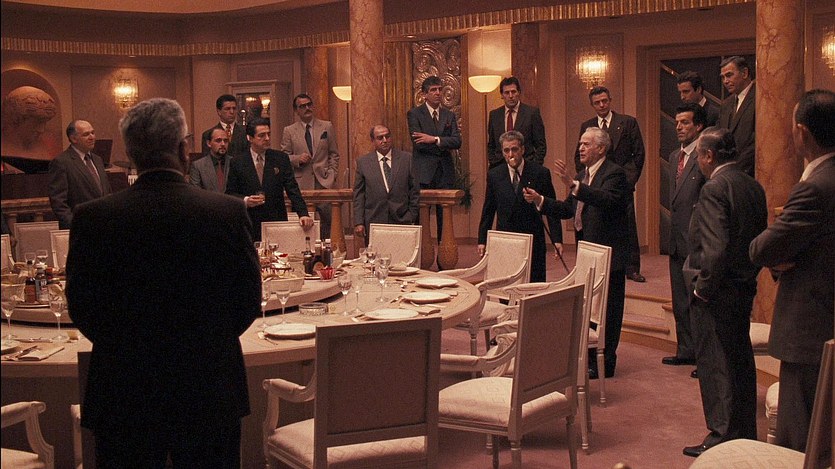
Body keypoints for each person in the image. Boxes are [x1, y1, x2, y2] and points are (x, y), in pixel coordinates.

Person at [66, 98, 261, 467]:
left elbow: (82, 307)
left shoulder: (93, 218)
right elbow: (247, 301)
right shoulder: (225, 213)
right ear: (183, 149)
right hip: (208, 386)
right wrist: (205, 342)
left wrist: (130, 348)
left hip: (124, 389)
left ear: (130, 153)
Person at [749, 89, 835, 454]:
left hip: (811, 329)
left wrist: (780, 258)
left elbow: (762, 248)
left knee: (801, 442)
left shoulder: (815, 187)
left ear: (802, 131)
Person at [682, 126, 766, 457]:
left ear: (708, 155)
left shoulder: (714, 188)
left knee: (716, 363)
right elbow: (758, 242)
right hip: (743, 286)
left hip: (717, 292)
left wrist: (702, 289)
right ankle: (744, 431)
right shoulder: (752, 185)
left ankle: (722, 434)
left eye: (699, 156)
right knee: (739, 361)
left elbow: (715, 249)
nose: (697, 162)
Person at [524, 127, 630, 378]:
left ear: (601, 148)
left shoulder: (614, 173)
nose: (580, 148)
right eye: (580, 143)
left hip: (609, 253)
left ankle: (607, 362)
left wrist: (574, 185)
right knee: (590, 307)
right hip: (588, 252)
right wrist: (540, 200)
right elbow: (567, 210)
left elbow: (607, 200)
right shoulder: (583, 175)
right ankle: (591, 357)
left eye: (586, 144)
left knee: (608, 310)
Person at [574, 86, 646, 283]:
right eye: (597, 102)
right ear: (592, 105)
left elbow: (638, 154)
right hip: (594, 185)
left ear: (610, 100)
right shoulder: (587, 126)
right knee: (596, 225)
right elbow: (579, 157)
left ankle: (631, 267)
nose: (602, 105)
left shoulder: (627, 122)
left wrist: (627, 181)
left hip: (621, 185)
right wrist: (587, 179)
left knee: (628, 225)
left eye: (604, 101)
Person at [479, 130, 560, 283]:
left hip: (533, 238)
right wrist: (482, 240)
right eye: (506, 150)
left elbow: (551, 208)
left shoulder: (540, 173)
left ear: (522, 149)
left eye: (514, 149)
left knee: (533, 286)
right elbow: (488, 209)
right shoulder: (495, 175)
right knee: (506, 285)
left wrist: (557, 239)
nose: (511, 154)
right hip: (506, 239)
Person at [662, 103, 707, 376]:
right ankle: (685, 350)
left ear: (699, 126)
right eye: (677, 122)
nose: (678, 127)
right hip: (676, 239)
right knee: (679, 299)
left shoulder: (705, 156)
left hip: (697, 240)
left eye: (685, 122)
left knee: (697, 303)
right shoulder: (672, 156)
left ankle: (704, 358)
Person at [225, 117, 313, 241]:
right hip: (249, 221)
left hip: (275, 221)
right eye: (261, 135)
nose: (267, 138)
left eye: (268, 134)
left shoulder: (280, 158)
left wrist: (303, 213)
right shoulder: (237, 162)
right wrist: (246, 200)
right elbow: (230, 193)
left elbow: (292, 189)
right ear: (250, 138)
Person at [407, 76, 462, 247]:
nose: (438, 93)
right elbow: (419, 143)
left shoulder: (449, 115)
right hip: (423, 173)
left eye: (439, 89)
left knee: (444, 219)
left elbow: (457, 141)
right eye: (433, 90)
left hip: (444, 173)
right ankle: (419, 253)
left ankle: (444, 256)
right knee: (421, 218)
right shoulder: (415, 114)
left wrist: (434, 139)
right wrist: (443, 142)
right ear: (424, 94)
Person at [280, 93, 340, 240]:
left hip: (324, 182)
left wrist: (332, 174)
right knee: (305, 224)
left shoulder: (326, 126)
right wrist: (297, 159)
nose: (307, 108)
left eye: (309, 105)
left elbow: (334, 153)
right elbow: (283, 157)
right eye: (302, 106)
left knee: (328, 223)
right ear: (296, 110)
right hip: (301, 184)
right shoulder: (289, 131)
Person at [353, 124, 420, 242]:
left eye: (387, 136)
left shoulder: (406, 159)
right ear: (373, 141)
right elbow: (359, 195)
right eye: (380, 138)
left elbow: (414, 190)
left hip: (402, 220)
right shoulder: (363, 163)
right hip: (374, 221)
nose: (385, 140)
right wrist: (359, 222)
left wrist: (411, 215)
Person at [47, 120, 113, 229]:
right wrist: (75, 226)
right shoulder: (61, 162)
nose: (92, 137)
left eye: (93, 133)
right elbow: (58, 203)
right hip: (80, 228)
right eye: (86, 134)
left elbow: (106, 193)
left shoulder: (98, 160)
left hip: (104, 226)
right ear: (73, 139)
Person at [486, 76, 547, 169]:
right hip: (500, 168)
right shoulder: (494, 115)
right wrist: (494, 163)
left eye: (513, 92)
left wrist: (534, 166)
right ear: (502, 95)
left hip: (526, 167)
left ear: (519, 92)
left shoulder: (531, 113)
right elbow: (491, 145)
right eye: (507, 92)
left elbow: (541, 145)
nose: (511, 96)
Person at [717, 56, 755, 177]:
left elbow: (757, 140)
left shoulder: (760, 98)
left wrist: (736, 168)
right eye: (723, 77)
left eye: (729, 75)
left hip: (751, 173)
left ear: (744, 73)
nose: (725, 81)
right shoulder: (726, 104)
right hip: (728, 174)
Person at [0, 85, 61, 159]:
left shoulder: (42, 149)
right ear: (16, 119)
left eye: (44, 123)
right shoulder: (4, 148)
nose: (41, 130)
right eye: (36, 123)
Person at [201, 94, 249, 158]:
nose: (232, 112)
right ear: (219, 112)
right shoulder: (208, 134)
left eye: (234, 108)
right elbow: (206, 160)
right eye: (227, 109)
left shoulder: (245, 132)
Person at [189, 127, 231, 192]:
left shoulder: (235, 163)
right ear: (209, 143)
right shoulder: (198, 166)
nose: (223, 144)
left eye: (225, 141)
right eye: (218, 141)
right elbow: (196, 193)